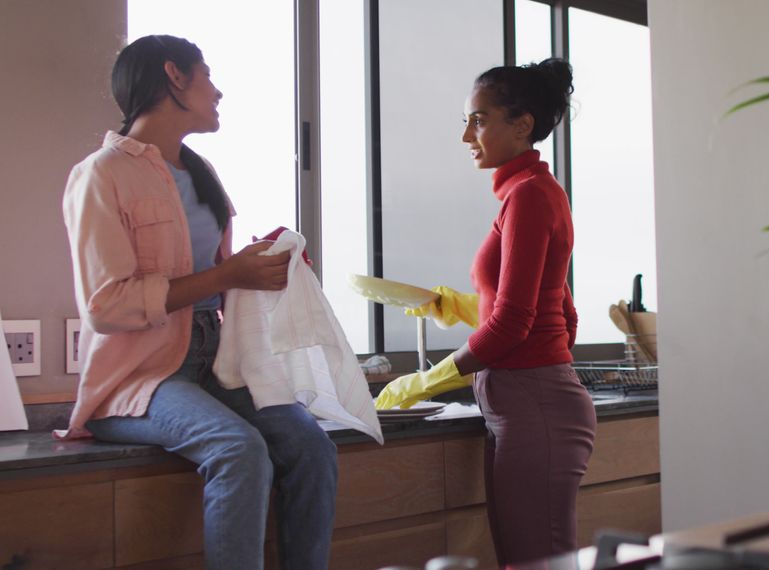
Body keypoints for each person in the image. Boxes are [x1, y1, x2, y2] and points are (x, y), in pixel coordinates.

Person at [60, 35, 337, 570]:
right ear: (174, 75)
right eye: (207, 75)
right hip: (136, 381)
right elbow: (104, 305)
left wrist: (257, 267)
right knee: (238, 448)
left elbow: (215, 278)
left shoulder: (200, 172)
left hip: (217, 363)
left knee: (311, 445)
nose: (219, 91)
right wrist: (227, 272)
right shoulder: (100, 174)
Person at [376, 58, 596, 566]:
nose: (466, 136)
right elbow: (557, 309)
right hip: (524, 402)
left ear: (521, 125)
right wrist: (461, 306)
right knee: (523, 560)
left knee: (537, 562)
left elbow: (519, 322)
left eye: (478, 119)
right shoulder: (530, 193)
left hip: (533, 404)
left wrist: (427, 380)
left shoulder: (529, 197)